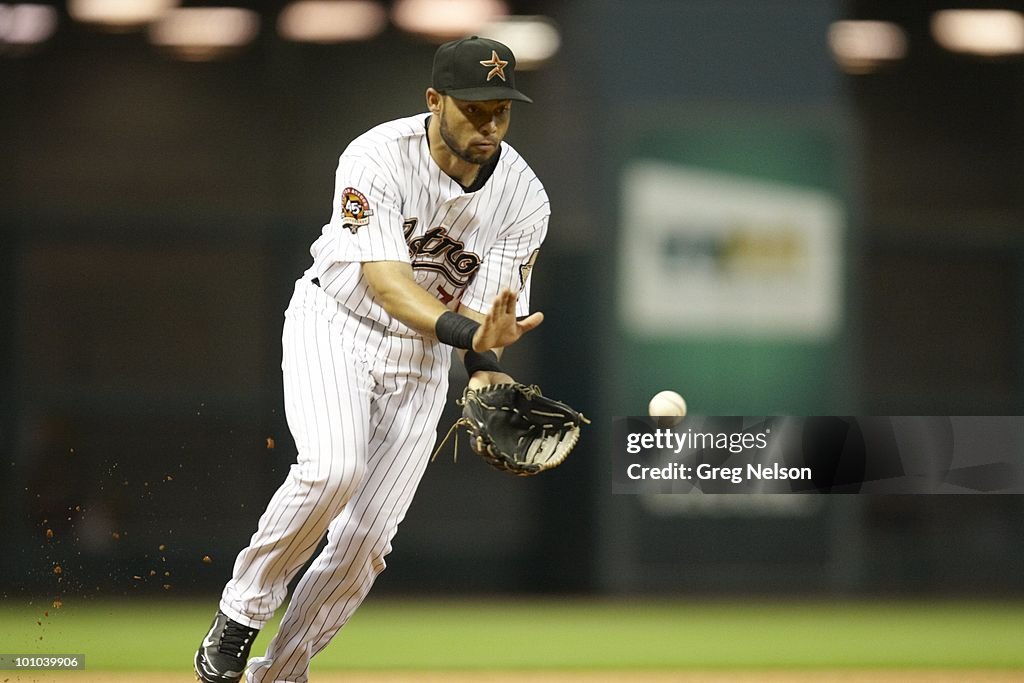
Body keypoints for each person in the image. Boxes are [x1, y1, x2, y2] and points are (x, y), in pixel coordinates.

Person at [194, 35, 549, 683]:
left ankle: (282, 673)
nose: (489, 123)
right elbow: (386, 284)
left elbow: (488, 319)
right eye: (474, 108)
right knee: (332, 468)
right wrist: (467, 335)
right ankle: (242, 611)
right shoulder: (377, 156)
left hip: (423, 357)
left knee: (365, 541)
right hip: (338, 322)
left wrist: (489, 366)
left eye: (501, 108)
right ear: (435, 100)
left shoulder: (524, 198)